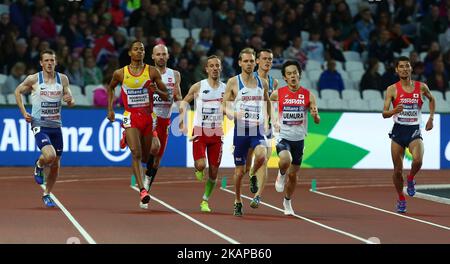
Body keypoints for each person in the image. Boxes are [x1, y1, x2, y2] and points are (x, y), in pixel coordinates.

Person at [107, 40, 168, 207]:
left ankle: (127, 139)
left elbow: (167, 96)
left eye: (142, 49)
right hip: (131, 116)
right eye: (136, 49)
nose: (139, 51)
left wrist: (158, 91)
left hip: (148, 117)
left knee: (147, 155)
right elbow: (111, 87)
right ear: (130, 53)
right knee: (136, 153)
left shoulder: (152, 72)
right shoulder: (120, 73)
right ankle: (142, 191)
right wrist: (110, 109)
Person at [14, 49, 75, 207]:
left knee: (56, 164)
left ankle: (47, 193)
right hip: (39, 124)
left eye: (52, 60)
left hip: (56, 125)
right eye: (46, 60)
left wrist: (69, 99)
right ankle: (39, 165)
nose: (49, 63)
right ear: (41, 63)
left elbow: (70, 98)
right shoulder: (34, 79)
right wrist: (23, 112)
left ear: (56, 62)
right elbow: (18, 91)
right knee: (50, 155)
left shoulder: (63, 79)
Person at [382, 56, 435, 213]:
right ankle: (401, 197)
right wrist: (393, 110)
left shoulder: (421, 87)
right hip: (398, 131)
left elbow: (432, 100)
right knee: (397, 171)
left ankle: (411, 178)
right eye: (401, 67)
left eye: (407, 66)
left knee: (418, 160)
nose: (404, 69)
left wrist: (431, 118)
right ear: (397, 70)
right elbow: (384, 113)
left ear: (411, 69)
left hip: (414, 129)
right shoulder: (392, 89)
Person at [223, 47, 271, 217]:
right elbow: (224, 105)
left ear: (255, 62)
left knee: (262, 155)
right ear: (240, 63)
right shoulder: (233, 82)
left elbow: (267, 101)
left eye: (252, 61)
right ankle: (237, 200)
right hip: (241, 130)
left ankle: (253, 173)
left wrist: (268, 118)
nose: (249, 64)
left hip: (257, 129)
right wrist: (233, 113)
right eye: (246, 61)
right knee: (238, 171)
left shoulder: (262, 83)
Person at [270, 60, 320, 215]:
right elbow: (269, 104)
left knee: (294, 175)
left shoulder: (308, 95)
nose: (292, 76)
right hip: (283, 135)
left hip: (299, 139)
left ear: (300, 75)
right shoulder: (278, 93)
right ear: (285, 77)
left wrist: (315, 116)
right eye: (289, 74)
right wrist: (273, 120)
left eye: (295, 73)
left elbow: (317, 120)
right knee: (285, 160)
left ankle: (287, 201)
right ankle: (280, 174)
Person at [179, 55, 226, 212]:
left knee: (213, 172)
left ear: (220, 68)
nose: (214, 68)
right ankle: (198, 168)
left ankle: (205, 200)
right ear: (206, 69)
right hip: (200, 131)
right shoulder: (198, 86)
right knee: (201, 165)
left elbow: (232, 106)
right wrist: (181, 120)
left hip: (217, 133)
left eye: (217, 65)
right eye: (211, 66)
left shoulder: (226, 89)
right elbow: (185, 101)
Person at [143, 44, 183, 193]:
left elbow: (178, 96)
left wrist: (182, 112)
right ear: (152, 56)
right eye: (158, 54)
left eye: (163, 54)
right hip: (150, 116)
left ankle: (146, 185)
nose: (161, 57)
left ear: (168, 56)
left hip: (165, 120)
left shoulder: (175, 75)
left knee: (157, 161)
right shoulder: (146, 72)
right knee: (155, 146)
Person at [245, 48, 279, 209]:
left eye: (270, 59)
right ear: (257, 61)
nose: (268, 62)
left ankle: (258, 196)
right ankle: (251, 173)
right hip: (248, 125)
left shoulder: (274, 82)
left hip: (267, 127)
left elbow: (272, 104)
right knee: (246, 164)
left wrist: (274, 120)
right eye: (264, 58)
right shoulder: (250, 79)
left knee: (264, 160)